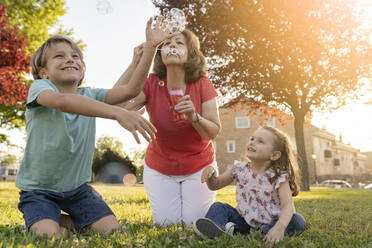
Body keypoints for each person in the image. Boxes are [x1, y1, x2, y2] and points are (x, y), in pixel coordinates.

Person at [15, 18, 173, 238]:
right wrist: (118, 113)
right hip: (39, 190)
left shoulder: (90, 95)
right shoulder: (40, 88)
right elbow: (63, 102)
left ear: (82, 71)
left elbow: (129, 90)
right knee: (51, 236)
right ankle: (41, 216)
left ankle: (61, 218)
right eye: (59, 56)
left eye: (75, 56)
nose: (70, 59)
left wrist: (150, 49)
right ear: (44, 72)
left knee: (111, 230)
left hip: (77, 190)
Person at [117, 29, 221, 225]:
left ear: (191, 53)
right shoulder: (152, 83)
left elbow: (213, 131)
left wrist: (194, 116)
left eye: (179, 43)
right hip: (160, 168)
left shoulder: (202, 83)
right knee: (167, 224)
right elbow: (116, 104)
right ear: (160, 53)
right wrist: (134, 64)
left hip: (199, 166)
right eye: (167, 43)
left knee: (194, 223)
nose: (172, 46)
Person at [193, 126, 306, 245]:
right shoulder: (239, 169)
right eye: (252, 139)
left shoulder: (278, 176)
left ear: (274, 155)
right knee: (219, 206)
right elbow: (215, 185)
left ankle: (260, 233)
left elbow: (287, 206)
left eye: (260, 141)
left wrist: (280, 227)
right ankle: (215, 229)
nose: (252, 143)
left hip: (271, 222)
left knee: (297, 220)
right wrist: (211, 175)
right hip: (243, 220)